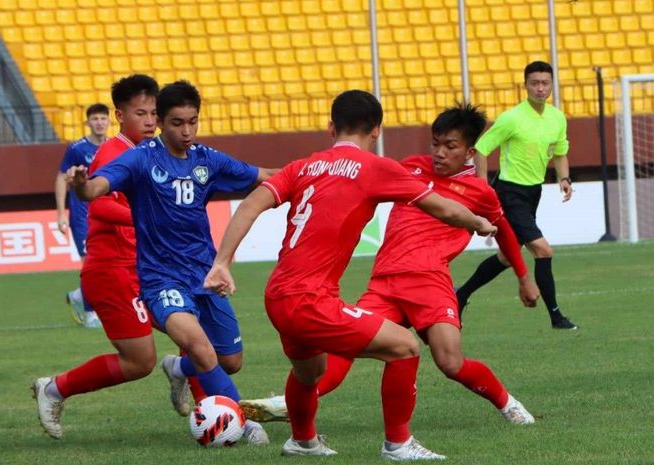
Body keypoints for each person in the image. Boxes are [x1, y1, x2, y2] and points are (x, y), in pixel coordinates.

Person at [204, 90, 497, 460]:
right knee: (405, 349)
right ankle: (398, 444)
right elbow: (446, 210)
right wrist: (479, 222)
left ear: (331, 127)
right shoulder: (377, 168)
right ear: (376, 131)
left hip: (277, 294)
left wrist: (222, 262)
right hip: (310, 299)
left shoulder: (303, 166)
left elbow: (250, 204)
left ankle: (303, 441)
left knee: (310, 373)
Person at [242, 103, 541, 429]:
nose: (440, 152)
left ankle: (507, 403)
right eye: (435, 143)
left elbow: (505, 233)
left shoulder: (480, 192)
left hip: (430, 281)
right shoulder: (409, 167)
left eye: (450, 146)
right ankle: (288, 404)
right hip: (385, 281)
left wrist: (524, 277)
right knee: (342, 348)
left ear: (469, 152)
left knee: (450, 362)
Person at [64, 80, 275, 444]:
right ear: (161, 121)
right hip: (161, 279)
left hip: (205, 275)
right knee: (200, 345)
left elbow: (262, 176)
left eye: (193, 121)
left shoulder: (206, 159)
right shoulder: (140, 158)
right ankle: (243, 418)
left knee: (231, 359)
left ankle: (177, 368)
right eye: (178, 123)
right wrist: (82, 185)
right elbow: (97, 189)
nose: (187, 131)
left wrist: (312, 175)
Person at [33, 74, 159, 440]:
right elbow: (100, 206)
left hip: (143, 266)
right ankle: (54, 388)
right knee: (141, 361)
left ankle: (223, 413)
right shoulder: (109, 153)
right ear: (120, 115)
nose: (150, 120)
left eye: (154, 112)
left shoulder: (151, 151)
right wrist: (149, 217)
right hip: (113, 268)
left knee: (193, 331)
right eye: (142, 113)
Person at [455, 61, 577, 330]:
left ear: (552, 85)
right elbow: (482, 149)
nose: (540, 88)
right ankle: (556, 317)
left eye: (545, 83)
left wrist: (564, 179)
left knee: (507, 257)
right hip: (509, 193)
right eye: (535, 83)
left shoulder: (557, 118)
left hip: (533, 193)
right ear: (526, 85)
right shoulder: (512, 118)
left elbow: (560, 152)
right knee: (543, 250)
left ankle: (460, 294)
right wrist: (482, 187)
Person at [55, 103, 109, 328]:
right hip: (82, 216)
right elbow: (61, 178)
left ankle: (79, 294)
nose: (99, 122)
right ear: (88, 123)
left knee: (108, 265)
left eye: (102, 118)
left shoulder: (114, 148)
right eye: (94, 119)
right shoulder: (77, 149)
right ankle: (90, 314)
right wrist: (60, 214)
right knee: (90, 265)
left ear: (109, 121)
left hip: (107, 214)